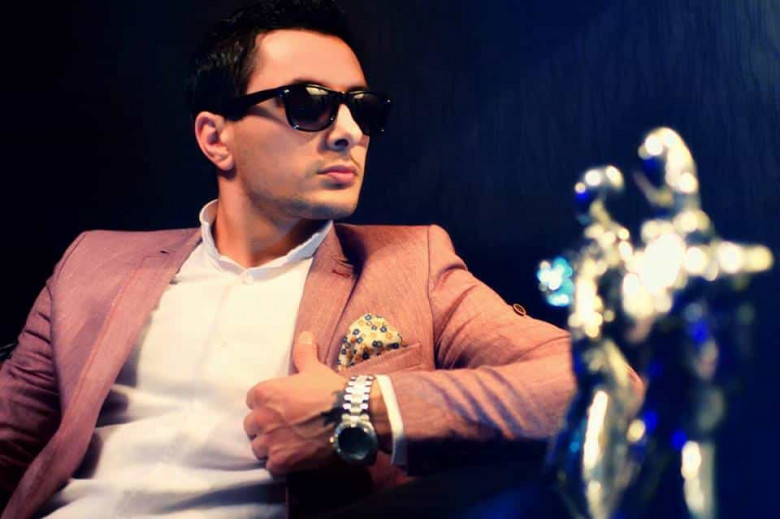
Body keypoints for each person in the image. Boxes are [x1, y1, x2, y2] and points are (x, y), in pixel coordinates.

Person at [0, 1, 580, 517]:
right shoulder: (93, 263)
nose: (350, 132)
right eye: (308, 103)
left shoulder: (413, 263)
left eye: (362, 109)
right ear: (215, 138)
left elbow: (590, 384)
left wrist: (360, 409)